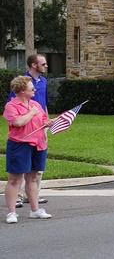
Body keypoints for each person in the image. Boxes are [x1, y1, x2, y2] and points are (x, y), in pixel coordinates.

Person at [5, 76, 54, 223]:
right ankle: (12, 213)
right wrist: (31, 113)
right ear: (21, 90)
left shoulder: (36, 105)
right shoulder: (11, 106)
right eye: (31, 87)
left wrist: (49, 123)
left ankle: (35, 210)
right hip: (20, 144)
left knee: (33, 177)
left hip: (39, 144)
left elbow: (44, 120)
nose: (34, 89)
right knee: (15, 179)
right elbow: (18, 122)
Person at [8, 54, 49, 209]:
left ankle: (32, 195)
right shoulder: (23, 82)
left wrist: (47, 121)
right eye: (43, 64)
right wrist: (29, 114)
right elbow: (14, 103)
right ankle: (17, 196)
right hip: (25, 128)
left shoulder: (43, 82)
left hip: (40, 124)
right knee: (20, 166)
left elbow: (44, 103)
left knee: (37, 166)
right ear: (33, 65)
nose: (46, 66)